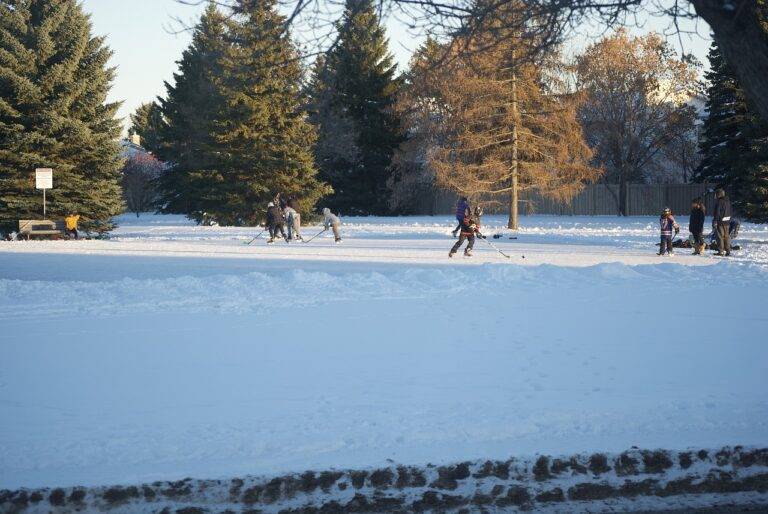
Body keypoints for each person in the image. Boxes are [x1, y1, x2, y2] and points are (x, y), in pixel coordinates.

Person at [712, 188, 732, 256]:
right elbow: (731, 211)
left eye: (716, 194)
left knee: (720, 236)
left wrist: (715, 221)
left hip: (720, 222)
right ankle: (728, 250)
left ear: (719, 195)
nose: (715, 196)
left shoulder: (719, 202)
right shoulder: (728, 201)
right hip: (727, 222)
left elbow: (717, 212)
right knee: (726, 236)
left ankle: (720, 251)